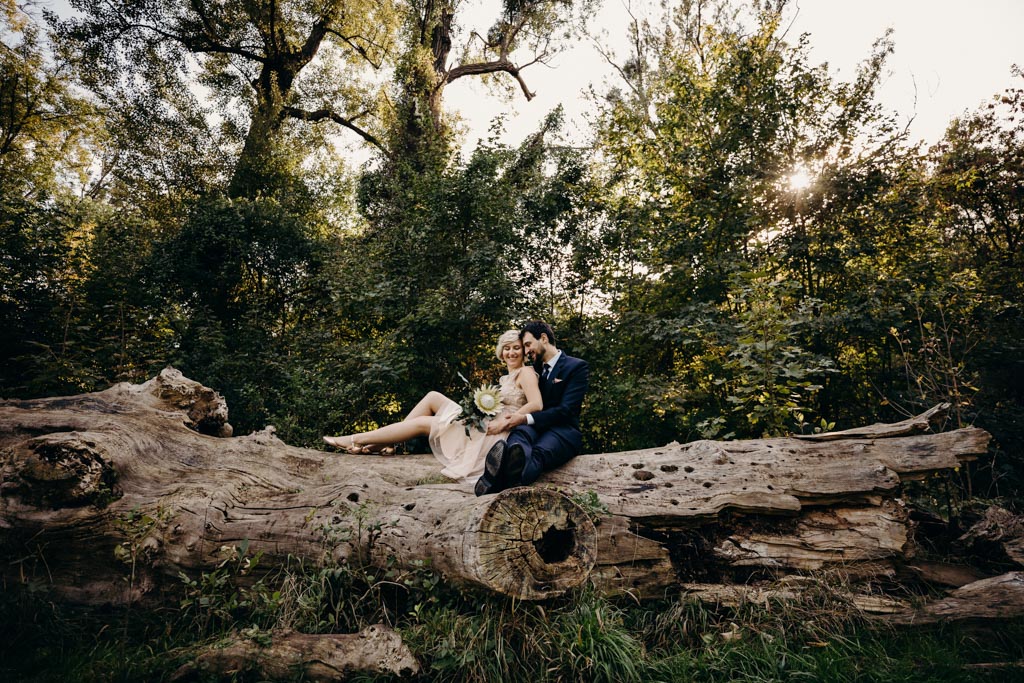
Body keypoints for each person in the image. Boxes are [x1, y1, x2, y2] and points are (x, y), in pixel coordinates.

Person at [322, 330, 542, 483]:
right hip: (487, 421)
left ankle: (357, 439)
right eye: (506, 348)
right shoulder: (507, 378)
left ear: (524, 351)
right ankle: (384, 444)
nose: (511, 353)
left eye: (516, 348)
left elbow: (536, 404)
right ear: (500, 352)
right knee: (432, 397)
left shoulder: (526, 373)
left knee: (423, 424)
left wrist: (505, 422)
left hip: (497, 430)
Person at [474, 321, 589, 496]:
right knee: (517, 443)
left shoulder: (576, 366)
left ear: (543, 338)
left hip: (562, 431)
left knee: (538, 453)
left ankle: (496, 484)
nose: (526, 351)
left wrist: (525, 418)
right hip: (534, 428)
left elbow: (566, 410)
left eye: (528, 345)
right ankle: (499, 470)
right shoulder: (534, 369)